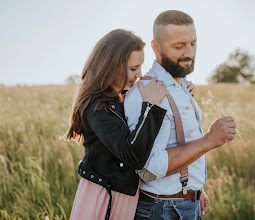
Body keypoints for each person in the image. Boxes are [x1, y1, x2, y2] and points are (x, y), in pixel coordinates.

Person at [66, 29, 197, 220]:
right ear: (111, 66)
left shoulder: (122, 98)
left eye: (140, 68)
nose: (138, 75)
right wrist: (150, 106)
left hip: (126, 196)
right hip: (104, 197)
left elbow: (157, 146)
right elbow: (133, 155)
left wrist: (179, 93)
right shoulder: (97, 107)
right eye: (133, 68)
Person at [124, 10, 237, 220]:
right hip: (162, 210)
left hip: (184, 204)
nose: (190, 52)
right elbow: (148, 168)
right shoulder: (146, 93)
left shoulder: (183, 85)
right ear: (156, 48)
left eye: (193, 43)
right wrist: (209, 140)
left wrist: (194, 190)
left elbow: (178, 141)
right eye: (179, 46)